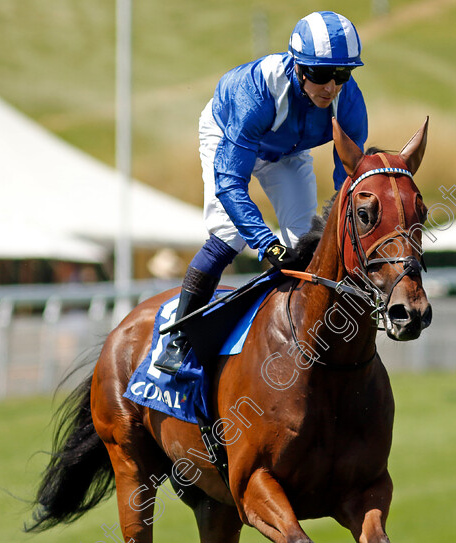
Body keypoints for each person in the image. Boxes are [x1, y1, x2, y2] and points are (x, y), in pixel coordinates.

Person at [156, 11, 368, 374]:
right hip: (229, 136)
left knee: (305, 241)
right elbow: (230, 183)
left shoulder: (348, 102)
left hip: (287, 152)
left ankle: (302, 334)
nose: (331, 87)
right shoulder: (254, 93)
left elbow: (347, 182)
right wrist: (265, 242)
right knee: (229, 234)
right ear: (298, 67)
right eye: (319, 75)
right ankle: (178, 336)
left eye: (342, 75)